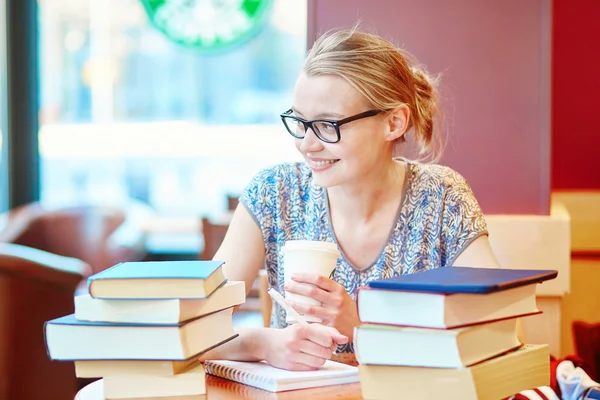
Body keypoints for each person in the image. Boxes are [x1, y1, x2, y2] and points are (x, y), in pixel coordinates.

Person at [198, 26, 502, 371]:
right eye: (300, 121)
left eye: (328, 125)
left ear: (394, 122)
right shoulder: (274, 192)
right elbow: (191, 329)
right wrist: (262, 342)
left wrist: (360, 328)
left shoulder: (442, 198)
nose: (306, 144)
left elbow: (496, 337)